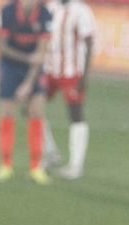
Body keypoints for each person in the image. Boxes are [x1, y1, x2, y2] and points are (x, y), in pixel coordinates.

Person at [0, 0, 53, 184]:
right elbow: (0, 46)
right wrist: (26, 58)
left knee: (36, 111)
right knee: (7, 111)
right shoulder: (7, 11)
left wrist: (28, 83)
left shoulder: (45, 15)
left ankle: (35, 167)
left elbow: (41, 53)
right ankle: (5, 165)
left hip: (34, 69)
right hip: (10, 66)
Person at [39, 0, 96, 180]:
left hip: (72, 71)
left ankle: (76, 165)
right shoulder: (50, 8)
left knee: (75, 113)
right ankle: (50, 152)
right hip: (49, 69)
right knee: (33, 106)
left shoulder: (81, 11)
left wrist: (85, 75)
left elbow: (89, 42)